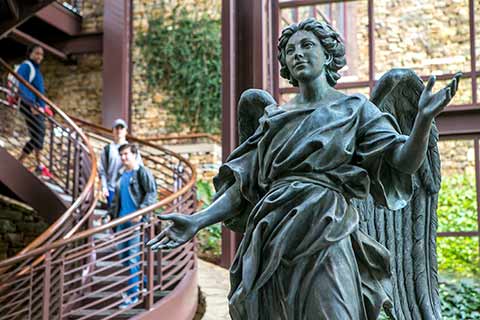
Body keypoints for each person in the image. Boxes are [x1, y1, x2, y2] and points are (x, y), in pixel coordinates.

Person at [147, 18, 461, 319]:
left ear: (328, 55)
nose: (297, 53)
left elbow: (404, 161)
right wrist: (196, 221)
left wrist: (421, 121)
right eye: (290, 50)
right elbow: (244, 187)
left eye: (307, 45)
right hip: (272, 233)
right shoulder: (273, 119)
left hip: (328, 229)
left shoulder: (355, 109)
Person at [109, 143, 157, 308]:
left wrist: (141, 212)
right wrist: (110, 218)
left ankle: (134, 295)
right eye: (121, 155)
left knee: (133, 258)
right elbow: (117, 202)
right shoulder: (121, 176)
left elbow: (152, 193)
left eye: (126, 154)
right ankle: (142, 283)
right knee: (124, 258)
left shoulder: (141, 172)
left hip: (136, 224)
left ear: (135, 155)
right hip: (121, 223)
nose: (123, 157)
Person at [17, 45, 51, 178]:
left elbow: (39, 92)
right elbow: (21, 85)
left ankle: (36, 165)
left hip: (37, 108)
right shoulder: (26, 66)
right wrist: (31, 104)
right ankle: (38, 165)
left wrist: (44, 107)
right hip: (29, 106)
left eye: (41, 55)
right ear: (30, 53)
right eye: (36, 53)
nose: (39, 57)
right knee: (39, 132)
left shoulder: (37, 71)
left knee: (38, 135)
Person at [98, 119, 141, 208]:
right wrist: (104, 187)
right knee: (114, 218)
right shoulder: (107, 149)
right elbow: (102, 171)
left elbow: (139, 169)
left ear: (126, 131)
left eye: (122, 128)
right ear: (113, 131)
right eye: (116, 128)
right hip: (112, 189)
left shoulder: (132, 149)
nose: (119, 131)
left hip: (129, 189)